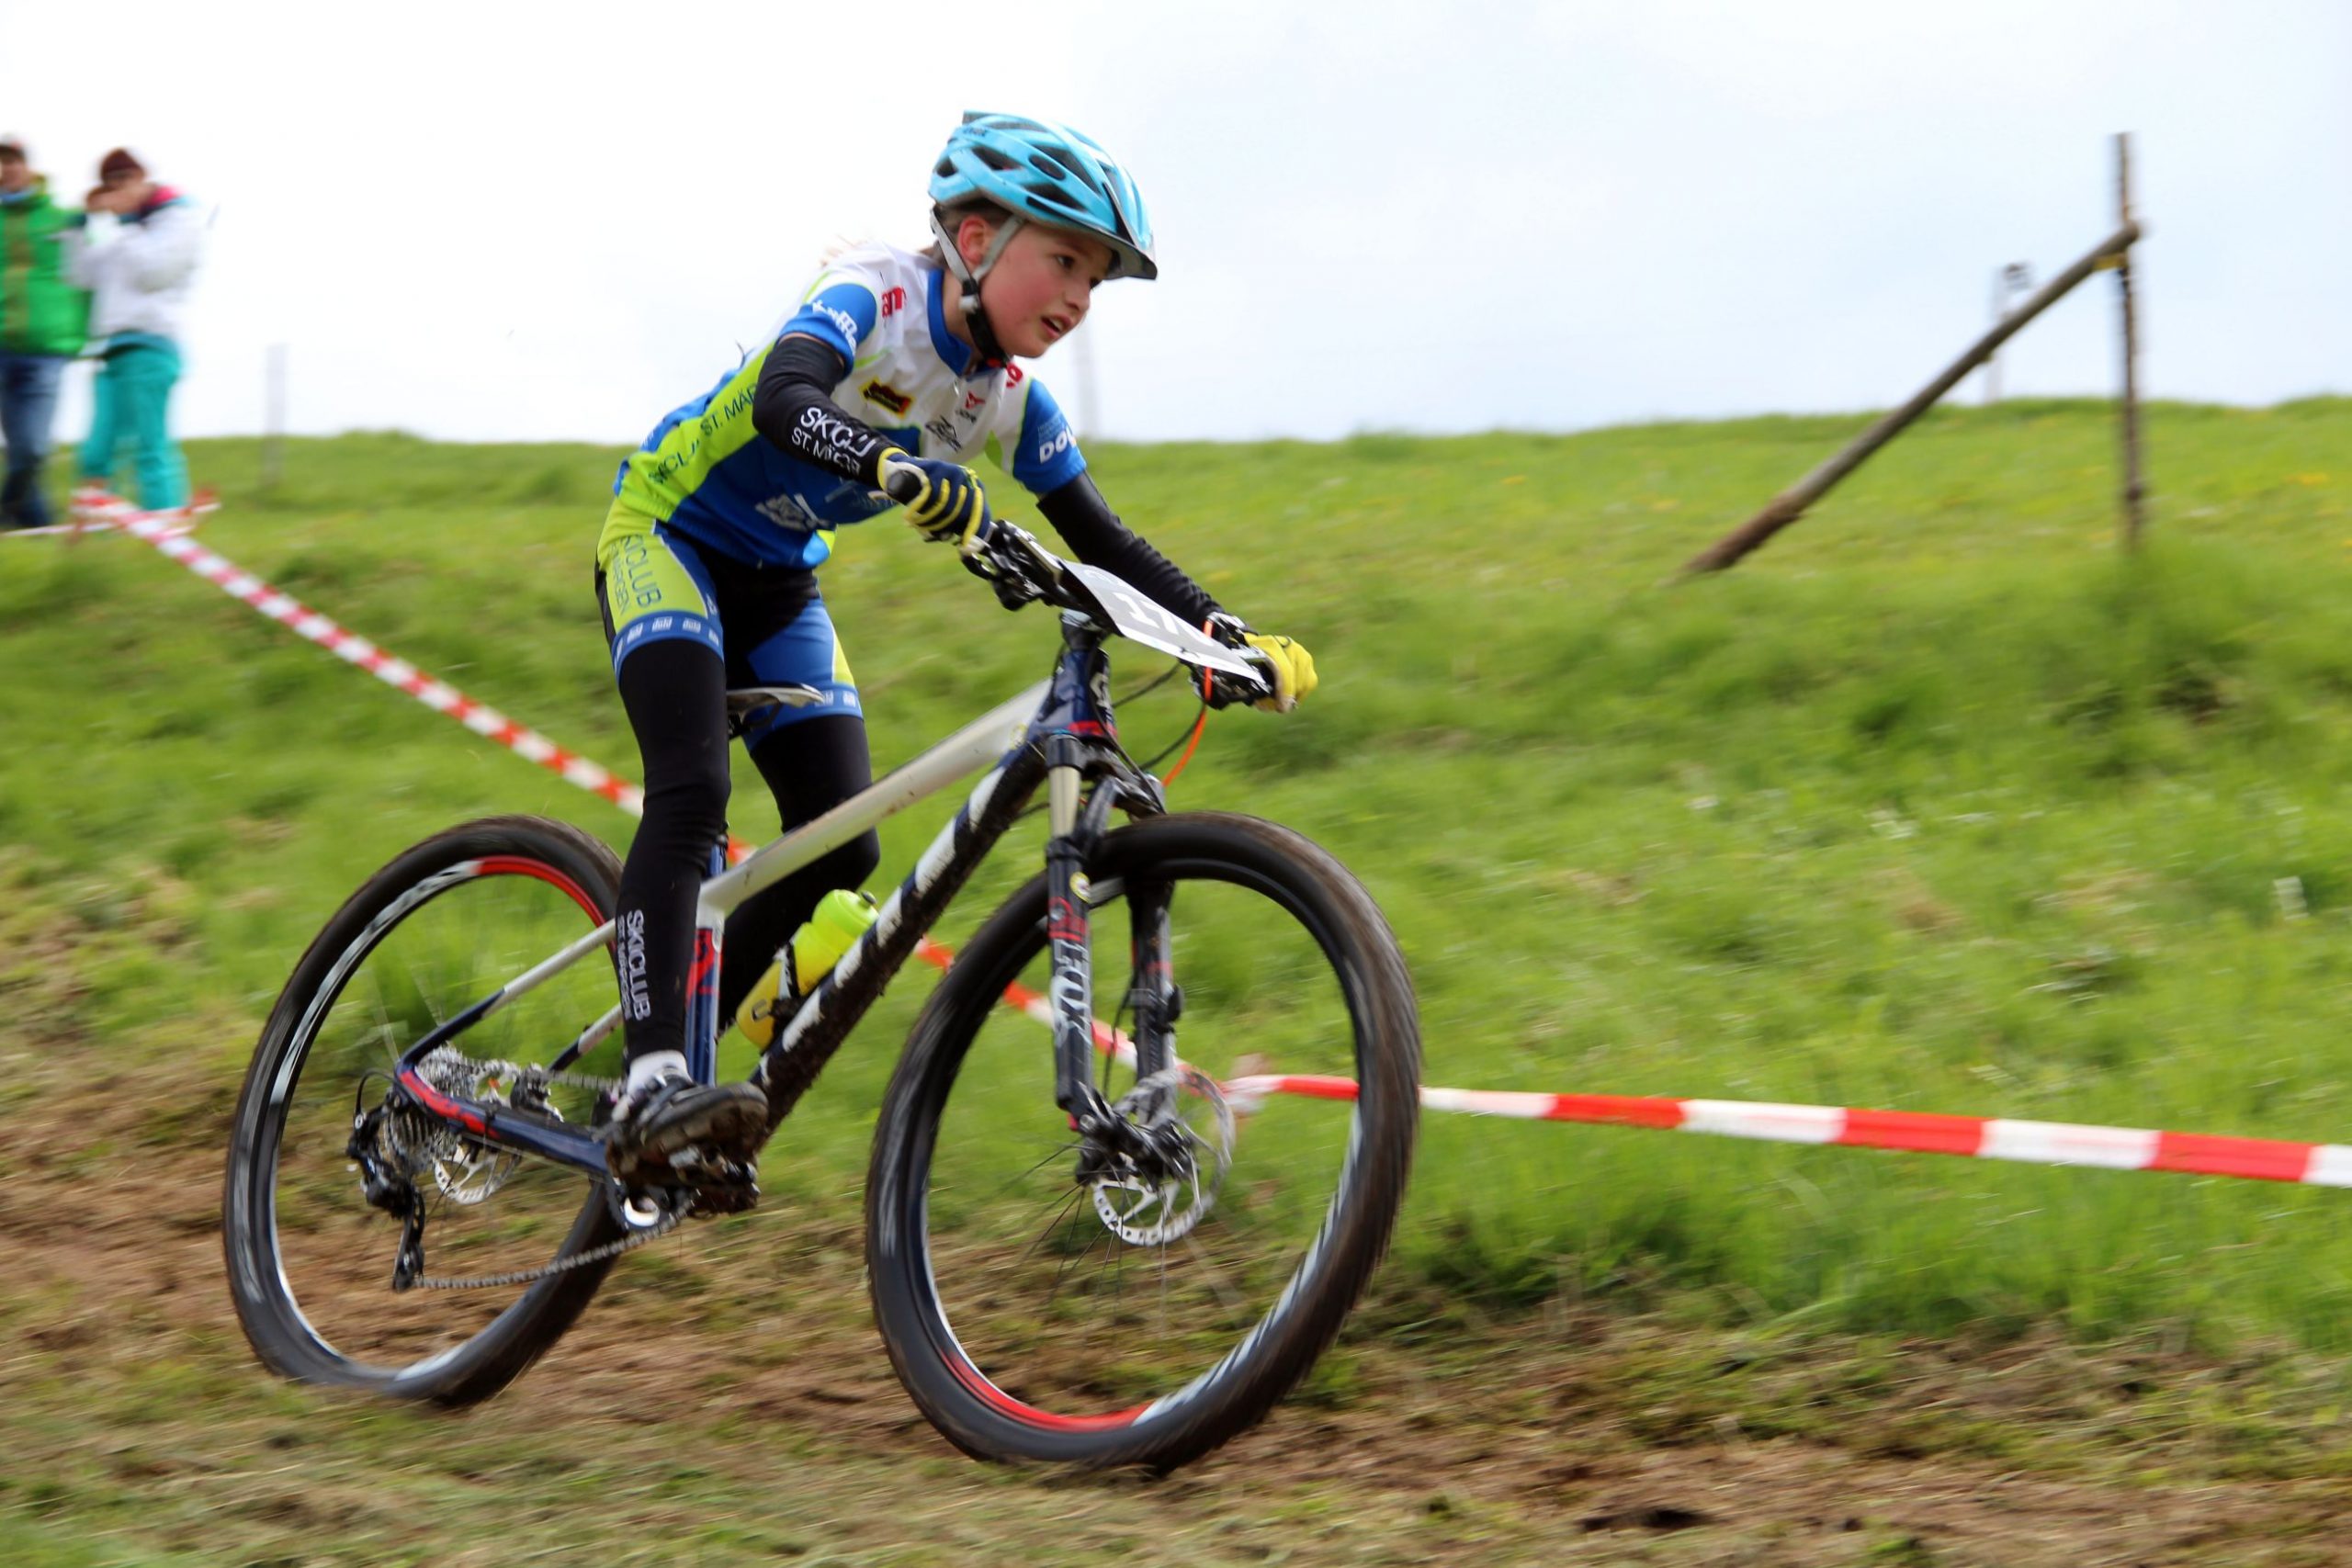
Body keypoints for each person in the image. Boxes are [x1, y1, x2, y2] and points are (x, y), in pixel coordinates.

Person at [595, 111, 1317, 1188]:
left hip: (777, 580)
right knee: (693, 794)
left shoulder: (1008, 400)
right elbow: (788, 397)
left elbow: (1104, 541)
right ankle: (648, 1079)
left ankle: (682, 1073)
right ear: (975, 239)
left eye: (1095, 280)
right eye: (1064, 261)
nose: (1078, 297)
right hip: (667, 534)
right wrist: (890, 468)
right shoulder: (873, 296)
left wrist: (1224, 637)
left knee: (841, 847)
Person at [71, 148, 201, 511]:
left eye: (125, 178)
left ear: (144, 177)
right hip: (112, 350)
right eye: (110, 182)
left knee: (150, 447)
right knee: (97, 452)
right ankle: (99, 528)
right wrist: (82, 226)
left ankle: (166, 522)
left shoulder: (178, 218)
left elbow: (154, 274)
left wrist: (125, 222)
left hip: (153, 346)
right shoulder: (118, 230)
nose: (118, 187)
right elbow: (81, 276)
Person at [0, 135, 91, 530]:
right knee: (22, 449)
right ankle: (39, 528)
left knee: (34, 448)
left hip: (47, 349)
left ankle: (9, 514)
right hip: (2, 349)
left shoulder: (62, 219)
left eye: (12, 160)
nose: (6, 169)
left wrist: (80, 335)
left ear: (28, 166)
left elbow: (89, 277)